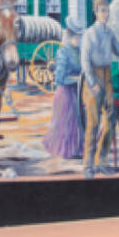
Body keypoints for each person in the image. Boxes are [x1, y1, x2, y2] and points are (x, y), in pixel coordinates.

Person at [48, 24, 85, 162]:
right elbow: (60, 78)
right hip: (66, 94)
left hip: (78, 92)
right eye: (76, 37)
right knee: (70, 120)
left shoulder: (80, 51)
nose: (78, 39)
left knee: (81, 120)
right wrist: (79, 78)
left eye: (80, 37)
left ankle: (79, 149)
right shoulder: (63, 52)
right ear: (69, 37)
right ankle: (68, 150)